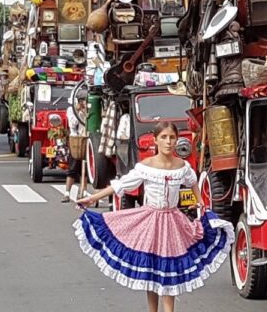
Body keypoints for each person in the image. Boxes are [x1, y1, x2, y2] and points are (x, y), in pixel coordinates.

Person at [74, 121, 234, 312]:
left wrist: (201, 202)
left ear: (177, 140)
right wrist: (92, 198)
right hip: (150, 220)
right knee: (152, 271)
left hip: (174, 221)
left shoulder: (182, 166)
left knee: (169, 270)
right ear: (155, 140)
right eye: (164, 137)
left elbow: (193, 181)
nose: (168, 142)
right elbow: (121, 185)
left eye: (172, 137)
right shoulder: (146, 166)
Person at [63, 95, 87, 203]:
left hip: (85, 139)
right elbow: (73, 123)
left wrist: (85, 111)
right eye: (81, 101)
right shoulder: (71, 110)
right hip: (75, 140)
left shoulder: (87, 109)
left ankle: (83, 192)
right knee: (72, 168)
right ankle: (67, 193)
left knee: (85, 169)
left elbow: (88, 123)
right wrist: (78, 112)